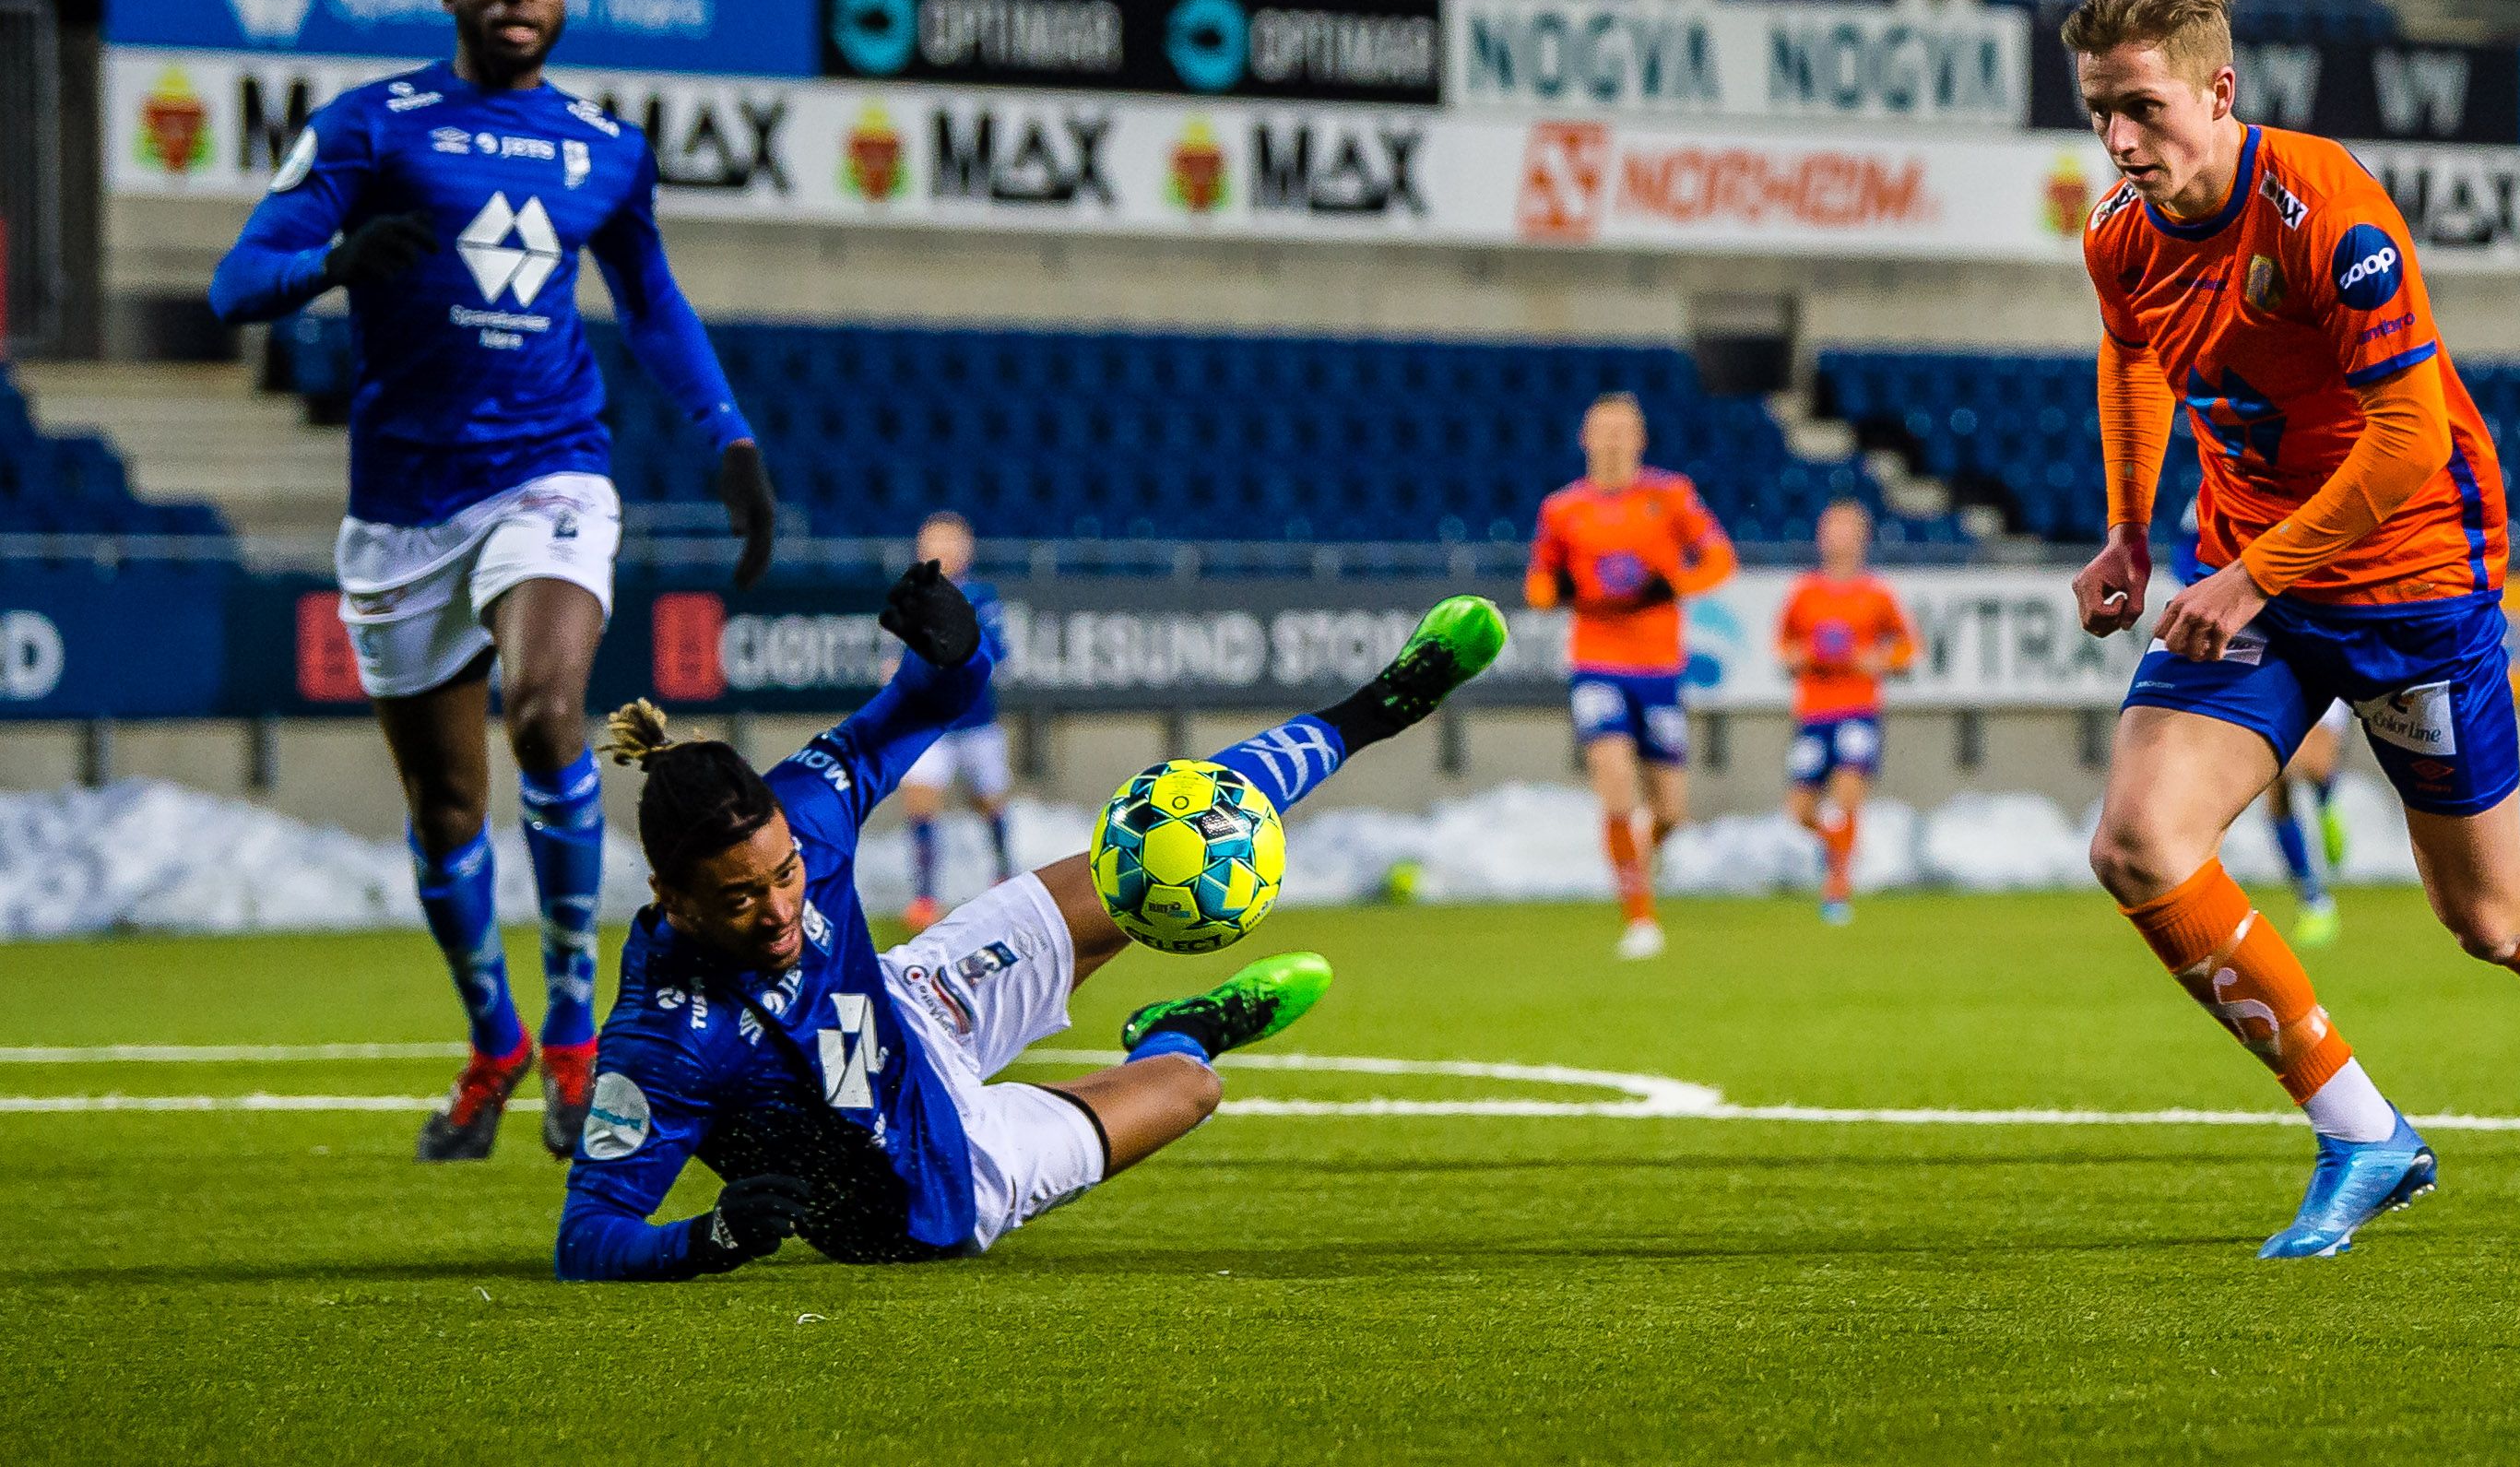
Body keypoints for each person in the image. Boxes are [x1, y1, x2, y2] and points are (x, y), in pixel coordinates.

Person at [2065, 0, 2520, 1260]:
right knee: (2139, 843)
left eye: (2142, 108)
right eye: (2099, 110)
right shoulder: (2119, 231)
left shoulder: (2328, 213)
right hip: (2254, 569)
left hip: (2408, 577)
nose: (2117, 139)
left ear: (2219, 91)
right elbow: (2133, 353)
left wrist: (2250, 576)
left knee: (2486, 920)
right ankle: (2363, 1132)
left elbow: (2407, 437)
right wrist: (2128, 527)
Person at [209, 0, 776, 1163]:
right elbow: (235, 281)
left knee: (547, 713)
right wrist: (335, 260)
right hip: (402, 506)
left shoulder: (605, 147)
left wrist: (729, 436)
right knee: (446, 805)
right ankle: (494, 1041)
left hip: (551, 471)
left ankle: (575, 1036)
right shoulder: (369, 124)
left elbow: (653, 302)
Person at [555, 571, 1508, 1279]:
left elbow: (929, 698)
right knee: (1188, 1088)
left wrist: (955, 649)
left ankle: (1380, 705)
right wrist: (707, 1239)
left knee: (1158, 846)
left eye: (786, 875)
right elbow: (587, 1238)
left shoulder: (804, 807)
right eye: (739, 900)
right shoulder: (664, 1038)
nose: (779, 910)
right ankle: (1181, 1030)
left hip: (909, 1004)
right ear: (670, 897)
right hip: (931, 1181)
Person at [1525, 392, 1737, 959]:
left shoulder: (1671, 495)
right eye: (1604, 430)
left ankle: (1640, 857)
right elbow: (1538, 582)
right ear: (1585, 439)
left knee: (1670, 811)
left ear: (1641, 439)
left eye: (1623, 430)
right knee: (1615, 780)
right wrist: (1558, 592)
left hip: (1659, 668)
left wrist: (1673, 586)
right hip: (1597, 664)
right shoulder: (1563, 509)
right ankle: (1640, 919)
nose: (1613, 440)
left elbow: (1720, 559)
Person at [2177, 494, 2345, 947]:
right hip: (2263, 643)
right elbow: (2187, 557)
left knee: (2314, 767)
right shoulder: (2216, 494)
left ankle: (2327, 799)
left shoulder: (2312, 487)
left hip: (2321, 634)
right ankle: (2314, 899)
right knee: (2278, 781)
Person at [1776, 499, 1915, 925]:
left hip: (1857, 710)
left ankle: (1837, 886)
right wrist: (1798, 657)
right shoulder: (1804, 592)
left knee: (1845, 797)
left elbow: (1907, 648)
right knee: (1799, 812)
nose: (1837, 538)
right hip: (1813, 714)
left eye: (1846, 530)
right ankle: (1840, 849)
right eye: (1831, 529)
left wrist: (1879, 660)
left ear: (1861, 538)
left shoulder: (1876, 594)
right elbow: (1783, 647)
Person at [890, 512, 1012, 932]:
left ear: (966, 549)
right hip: (929, 722)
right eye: (933, 541)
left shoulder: (981, 597)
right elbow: (898, 656)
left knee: (989, 802)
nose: (940, 549)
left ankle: (1004, 876)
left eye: (949, 541)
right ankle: (925, 897)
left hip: (976, 721)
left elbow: (996, 653)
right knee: (920, 803)